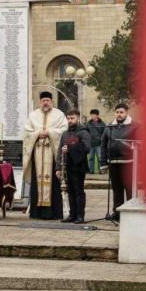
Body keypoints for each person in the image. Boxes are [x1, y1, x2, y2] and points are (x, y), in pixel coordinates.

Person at [22, 91, 68, 220]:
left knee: (54, 182)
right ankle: (36, 213)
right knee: (37, 182)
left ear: (51, 101)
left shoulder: (59, 115)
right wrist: (37, 133)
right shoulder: (33, 115)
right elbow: (27, 133)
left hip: (52, 154)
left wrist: (50, 132)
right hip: (37, 154)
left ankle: (54, 213)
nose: (45, 103)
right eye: (43, 101)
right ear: (40, 102)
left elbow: (64, 130)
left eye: (48, 100)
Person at [101, 104, 139, 220]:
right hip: (113, 162)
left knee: (129, 189)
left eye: (121, 112)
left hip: (129, 162)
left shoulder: (134, 126)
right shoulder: (109, 127)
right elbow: (103, 144)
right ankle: (117, 213)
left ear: (126, 113)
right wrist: (103, 163)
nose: (119, 114)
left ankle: (131, 213)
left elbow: (139, 143)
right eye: (117, 112)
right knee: (117, 190)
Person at [59, 109, 91, 223]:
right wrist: (58, 168)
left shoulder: (84, 132)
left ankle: (80, 215)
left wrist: (70, 148)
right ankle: (72, 214)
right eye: (68, 118)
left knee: (78, 191)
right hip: (67, 166)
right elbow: (60, 151)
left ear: (78, 118)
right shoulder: (65, 133)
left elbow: (87, 148)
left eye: (72, 118)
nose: (70, 120)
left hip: (78, 166)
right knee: (70, 191)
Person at [86, 109, 106, 174]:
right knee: (91, 158)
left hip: (99, 144)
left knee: (100, 158)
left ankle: (101, 170)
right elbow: (86, 132)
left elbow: (104, 133)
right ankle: (91, 170)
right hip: (91, 144)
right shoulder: (88, 123)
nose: (92, 116)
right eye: (91, 114)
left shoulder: (102, 123)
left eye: (93, 114)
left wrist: (101, 139)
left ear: (97, 115)